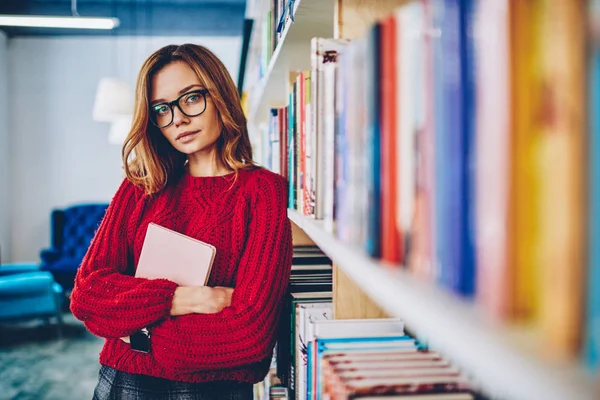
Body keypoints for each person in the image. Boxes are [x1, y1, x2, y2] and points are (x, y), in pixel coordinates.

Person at [70, 43, 293, 400]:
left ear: (219, 95)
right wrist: (182, 298)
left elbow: (250, 337)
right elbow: (88, 295)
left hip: (214, 392)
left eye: (191, 98)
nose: (178, 119)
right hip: (122, 383)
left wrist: (134, 332)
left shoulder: (263, 191)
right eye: (162, 109)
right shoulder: (142, 186)